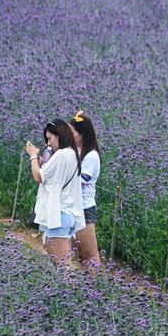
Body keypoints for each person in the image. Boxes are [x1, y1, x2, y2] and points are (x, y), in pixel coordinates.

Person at [25, 120, 84, 263]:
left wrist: (33, 155)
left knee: (63, 268)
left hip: (59, 217)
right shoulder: (71, 154)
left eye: (50, 138)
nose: (48, 144)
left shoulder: (62, 154)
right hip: (67, 215)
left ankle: (74, 286)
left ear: (60, 135)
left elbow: (38, 176)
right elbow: (50, 176)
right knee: (62, 265)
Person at [69, 111, 101, 266]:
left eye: (72, 132)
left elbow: (82, 180)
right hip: (71, 206)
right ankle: (85, 288)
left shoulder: (91, 156)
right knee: (77, 253)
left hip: (84, 208)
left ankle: (96, 287)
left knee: (89, 254)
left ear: (82, 134)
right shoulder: (74, 152)